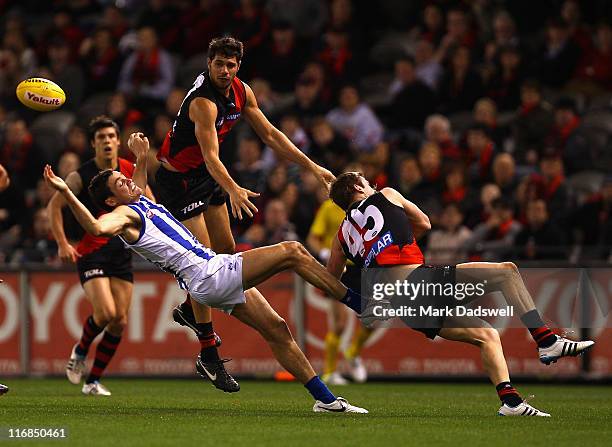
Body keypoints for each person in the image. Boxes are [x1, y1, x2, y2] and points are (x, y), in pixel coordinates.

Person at [43, 134, 367, 414]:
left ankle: (325, 400)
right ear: (112, 200)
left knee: (277, 329)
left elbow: (138, 183)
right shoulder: (123, 214)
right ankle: (358, 302)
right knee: (293, 251)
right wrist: (67, 193)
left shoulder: (136, 201)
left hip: (207, 277)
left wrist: (140, 156)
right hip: (209, 274)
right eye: (119, 182)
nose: (127, 179)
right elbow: (97, 226)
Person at [326, 172, 594, 417]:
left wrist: (357, 298)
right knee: (507, 272)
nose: (370, 183)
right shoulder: (387, 194)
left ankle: (510, 402)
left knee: (486, 334)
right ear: (356, 187)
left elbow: (330, 280)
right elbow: (424, 223)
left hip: (403, 306)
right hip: (420, 282)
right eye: (364, 180)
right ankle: (546, 340)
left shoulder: (340, 236)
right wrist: (403, 239)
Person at [154, 36, 334, 384]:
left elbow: (270, 134)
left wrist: (313, 167)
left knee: (227, 254)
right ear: (209, 63)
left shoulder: (242, 91)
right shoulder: (203, 103)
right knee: (205, 264)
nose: (224, 70)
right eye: (219, 63)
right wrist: (233, 187)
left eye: (231, 65)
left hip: (208, 177)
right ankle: (209, 353)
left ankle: (191, 311)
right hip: (179, 184)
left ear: (238, 66)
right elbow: (209, 155)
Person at [46, 117, 156, 396]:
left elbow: (150, 203)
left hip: (121, 251)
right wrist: (61, 243)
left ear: (118, 141)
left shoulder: (129, 170)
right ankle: (81, 350)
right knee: (105, 313)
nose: (107, 141)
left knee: (119, 321)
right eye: (101, 137)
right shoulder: (80, 175)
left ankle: (92, 381)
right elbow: (53, 207)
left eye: (111, 136)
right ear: (93, 144)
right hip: (91, 250)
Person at [307, 197, 372, 385]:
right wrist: (324, 252)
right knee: (340, 324)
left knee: (375, 318)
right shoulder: (329, 207)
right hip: (340, 267)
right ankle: (329, 373)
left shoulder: (369, 209)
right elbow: (313, 237)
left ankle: (353, 353)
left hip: (362, 269)